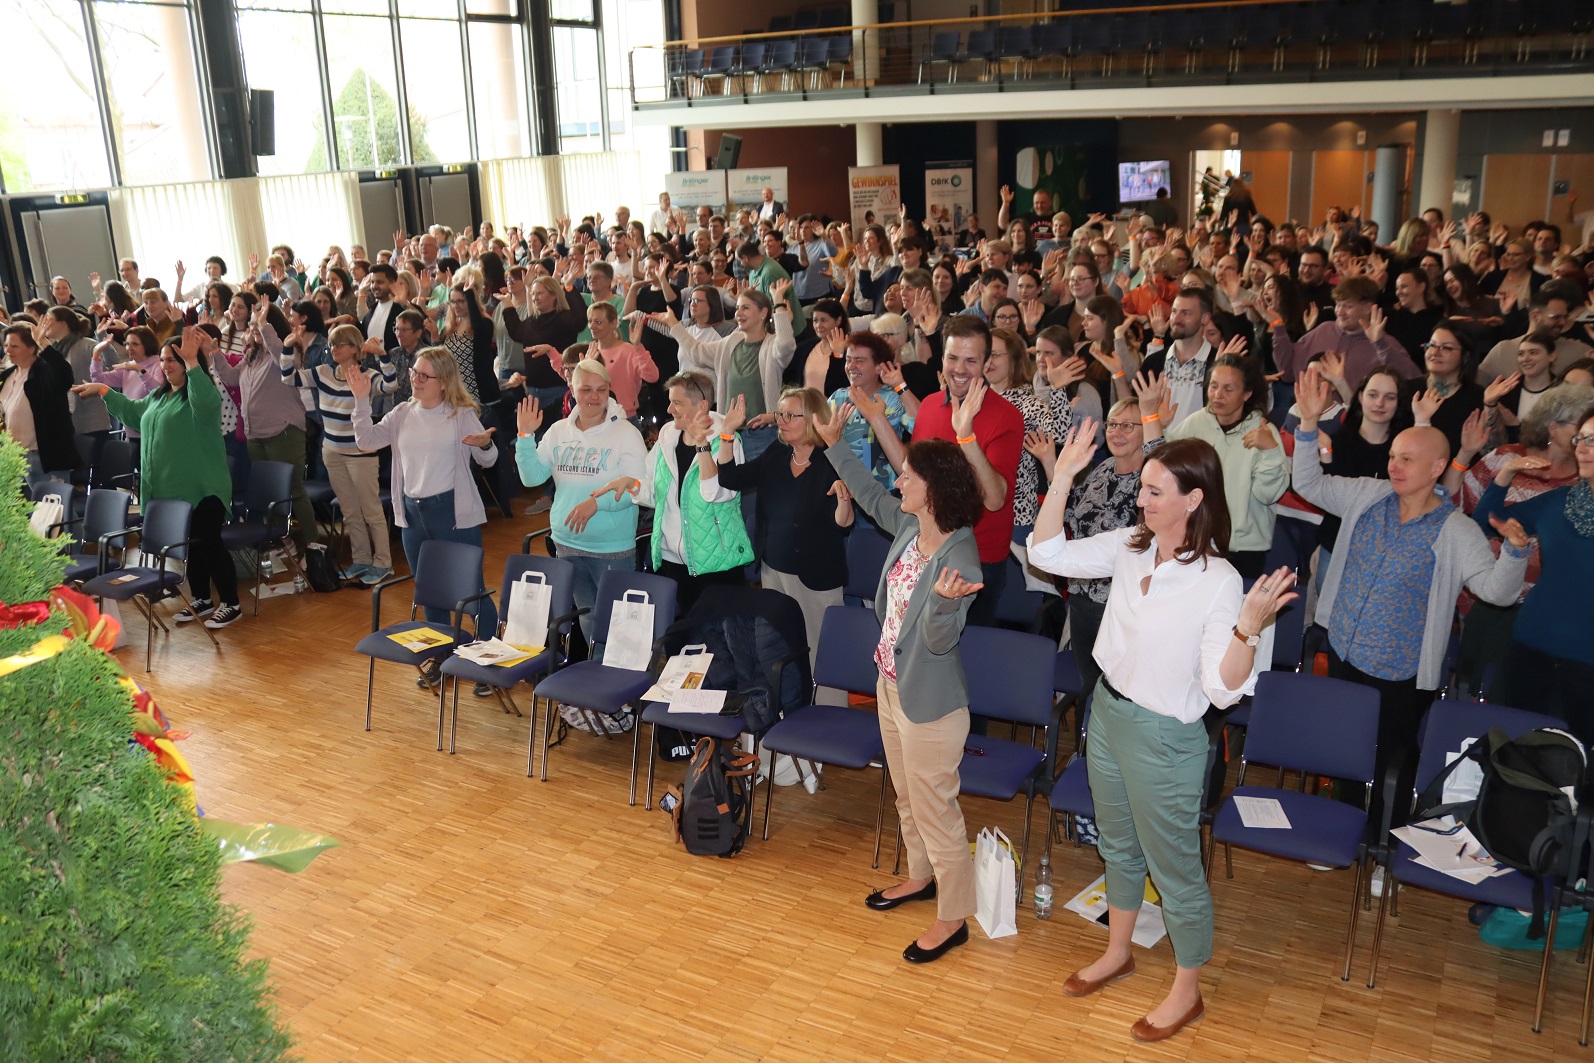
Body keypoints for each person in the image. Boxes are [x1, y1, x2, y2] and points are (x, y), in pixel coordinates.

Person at [1029, 428, 1295, 1043]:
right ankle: (1118, 952)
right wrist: (1062, 477)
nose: (1140, 499)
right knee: (1118, 847)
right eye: (1142, 488)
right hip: (1109, 716)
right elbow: (1047, 554)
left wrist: (1248, 630)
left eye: (1154, 491)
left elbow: (1223, 689)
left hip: (1167, 739)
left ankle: (1187, 987)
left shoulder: (1219, 581)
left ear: (1193, 499)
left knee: (1174, 868)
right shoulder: (1130, 546)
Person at [1291, 367, 1529, 824]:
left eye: (1406, 460)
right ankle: (1344, 825)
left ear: (1437, 468)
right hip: (1344, 648)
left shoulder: (1456, 530)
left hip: (1400, 670)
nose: (1394, 466)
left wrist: (1515, 554)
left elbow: (1495, 593)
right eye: (1394, 457)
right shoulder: (1366, 494)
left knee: (1392, 762)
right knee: (1345, 746)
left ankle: (1386, 840)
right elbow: (1310, 485)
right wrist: (1306, 425)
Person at [813, 404, 986, 964]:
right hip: (890, 686)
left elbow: (938, 643)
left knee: (938, 811)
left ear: (934, 487)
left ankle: (954, 917)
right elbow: (866, 491)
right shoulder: (913, 525)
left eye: (909, 475)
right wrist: (834, 444)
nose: (899, 480)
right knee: (908, 799)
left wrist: (941, 604)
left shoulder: (960, 556)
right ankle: (920, 878)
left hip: (931, 704)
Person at [349, 347, 501, 690]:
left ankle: (487, 662)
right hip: (413, 515)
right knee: (430, 593)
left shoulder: (460, 415)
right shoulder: (403, 412)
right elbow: (365, 441)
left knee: (471, 591)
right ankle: (443, 657)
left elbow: (488, 460)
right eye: (414, 373)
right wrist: (361, 401)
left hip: (451, 513)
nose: (414, 380)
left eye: (423, 375)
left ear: (443, 383)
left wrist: (485, 446)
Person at [72, 328, 243, 629]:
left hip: (202, 486)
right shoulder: (159, 396)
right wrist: (103, 390)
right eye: (164, 360)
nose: (166, 365)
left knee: (211, 545)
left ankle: (231, 603)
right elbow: (134, 412)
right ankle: (201, 599)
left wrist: (192, 362)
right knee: (193, 547)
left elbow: (206, 403)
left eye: (173, 360)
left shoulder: (199, 393)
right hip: (171, 489)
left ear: (188, 361)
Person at [857, 315, 1022, 625]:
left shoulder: (1007, 416)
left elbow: (995, 499)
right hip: (925, 548)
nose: (959, 369)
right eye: (952, 358)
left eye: (971, 360)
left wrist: (966, 435)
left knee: (966, 660)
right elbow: (913, 473)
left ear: (986, 364)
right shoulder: (931, 404)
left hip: (976, 559)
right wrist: (878, 421)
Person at [701, 388, 852, 701]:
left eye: (789, 415)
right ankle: (787, 713)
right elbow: (730, 479)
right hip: (774, 570)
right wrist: (727, 434)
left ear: (812, 419)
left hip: (816, 578)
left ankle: (826, 720)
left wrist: (843, 500)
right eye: (779, 413)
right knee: (779, 648)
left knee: (821, 654)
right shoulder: (776, 454)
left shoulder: (834, 460)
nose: (780, 421)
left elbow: (845, 523)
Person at [1471, 400, 1594, 736]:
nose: (1582, 449)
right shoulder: (1559, 501)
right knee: (1522, 758)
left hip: (1588, 661)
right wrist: (1505, 475)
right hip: (1531, 646)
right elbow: (1485, 521)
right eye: (1580, 439)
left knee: (1579, 771)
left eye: (1593, 440)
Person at [594, 370, 752, 613]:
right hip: (672, 557)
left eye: (676, 403)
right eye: (670, 402)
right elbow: (655, 489)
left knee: (720, 640)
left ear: (702, 405)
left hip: (716, 562)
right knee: (679, 638)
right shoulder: (668, 435)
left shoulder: (727, 441)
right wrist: (632, 484)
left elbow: (717, 494)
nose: (669, 409)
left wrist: (703, 445)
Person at [513, 359, 647, 640]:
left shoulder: (626, 434)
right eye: (586, 389)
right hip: (567, 542)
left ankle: (620, 679)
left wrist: (597, 503)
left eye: (600, 389)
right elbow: (531, 478)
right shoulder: (558, 431)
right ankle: (595, 676)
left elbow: (638, 489)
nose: (594, 396)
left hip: (611, 546)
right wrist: (525, 436)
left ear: (609, 390)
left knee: (620, 622)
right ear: (573, 390)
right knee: (588, 616)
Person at [1146, 354, 1288, 579]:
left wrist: (1270, 452)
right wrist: (1157, 424)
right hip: (1197, 539)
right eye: (1213, 386)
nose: (1218, 395)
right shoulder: (1197, 422)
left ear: (1247, 394)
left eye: (1229, 389)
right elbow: (1163, 466)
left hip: (1243, 549)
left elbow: (1268, 494)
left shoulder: (1264, 432)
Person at [284, 324, 398, 583]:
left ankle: (383, 563)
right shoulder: (323, 372)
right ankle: (361, 560)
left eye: (340, 344)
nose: (334, 348)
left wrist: (383, 356)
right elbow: (288, 377)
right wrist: (288, 346)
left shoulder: (366, 375)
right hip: (332, 452)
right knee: (349, 511)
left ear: (356, 349)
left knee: (371, 511)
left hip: (361, 453)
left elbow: (391, 385)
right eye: (332, 344)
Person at [665, 284, 797, 460]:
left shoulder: (772, 346)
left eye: (745, 308)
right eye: (737, 308)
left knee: (754, 487)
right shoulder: (730, 343)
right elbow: (697, 352)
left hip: (761, 435)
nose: (738, 313)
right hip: (729, 433)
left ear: (764, 313)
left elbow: (787, 344)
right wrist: (674, 324)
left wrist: (778, 302)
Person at [828, 331, 917, 492]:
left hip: (885, 494)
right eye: (848, 360)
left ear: (878, 368)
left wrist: (900, 385)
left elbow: (919, 425)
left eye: (859, 361)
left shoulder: (891, 399)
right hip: (844, 492)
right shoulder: (838, 398)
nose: (851, 366)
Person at [1, 324, 79, 490]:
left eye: (14, 346)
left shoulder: (44, 371)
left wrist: (43, 343)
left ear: (31, 348)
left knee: (56, 510)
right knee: (29, 513)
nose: (8, 350)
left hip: (43, 455)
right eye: (6, 345)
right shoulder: (8, 375)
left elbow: (64, 375)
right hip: (14, 455)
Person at [1410, 321, 1487, 460]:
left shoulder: (1478, 397)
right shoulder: (1407, 390)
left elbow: (1490, 450)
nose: (1435, 352)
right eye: (1432, 345)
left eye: (1446, 348)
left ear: (1465, 356)